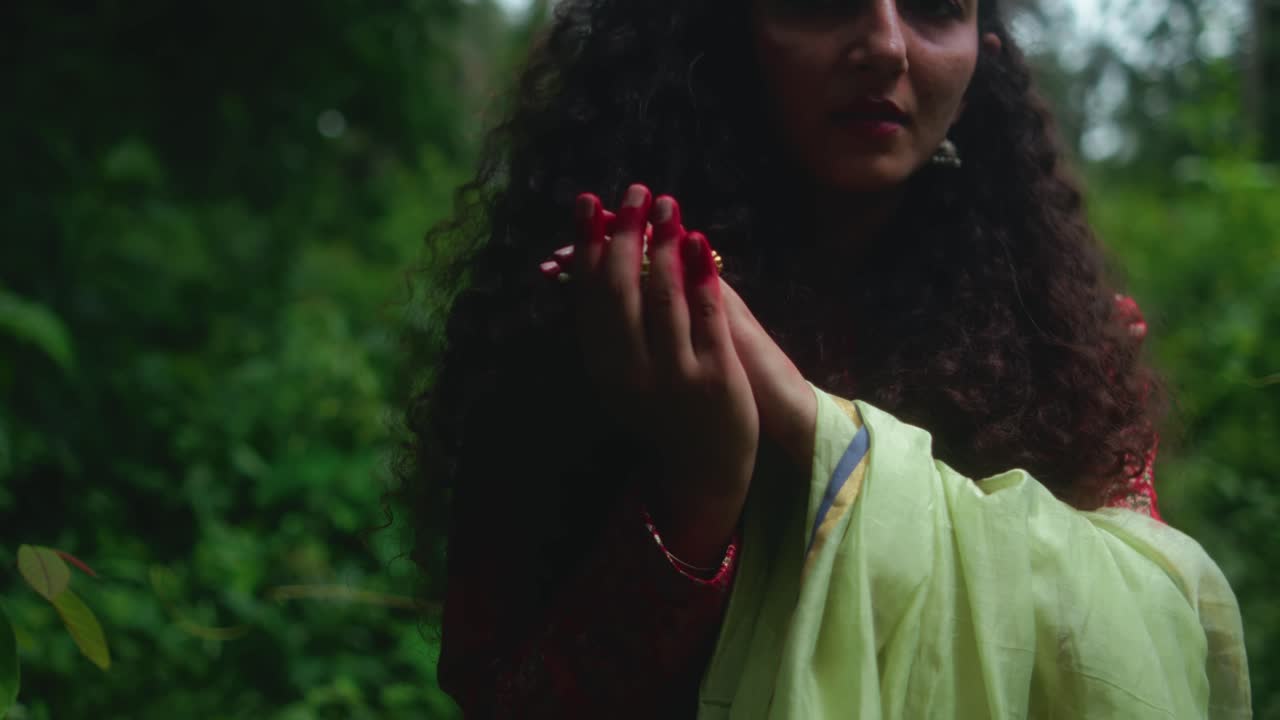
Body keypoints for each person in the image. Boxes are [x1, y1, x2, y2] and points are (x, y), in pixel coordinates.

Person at [400, 0, 1252, 716]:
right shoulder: (598, 310)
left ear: (979, 61)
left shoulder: (1065, 354)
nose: (884, 43)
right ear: (723, 31)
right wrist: (699, 488)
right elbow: (503, 695)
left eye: (932, 7)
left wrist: (802, 421)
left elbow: (1150, 637)